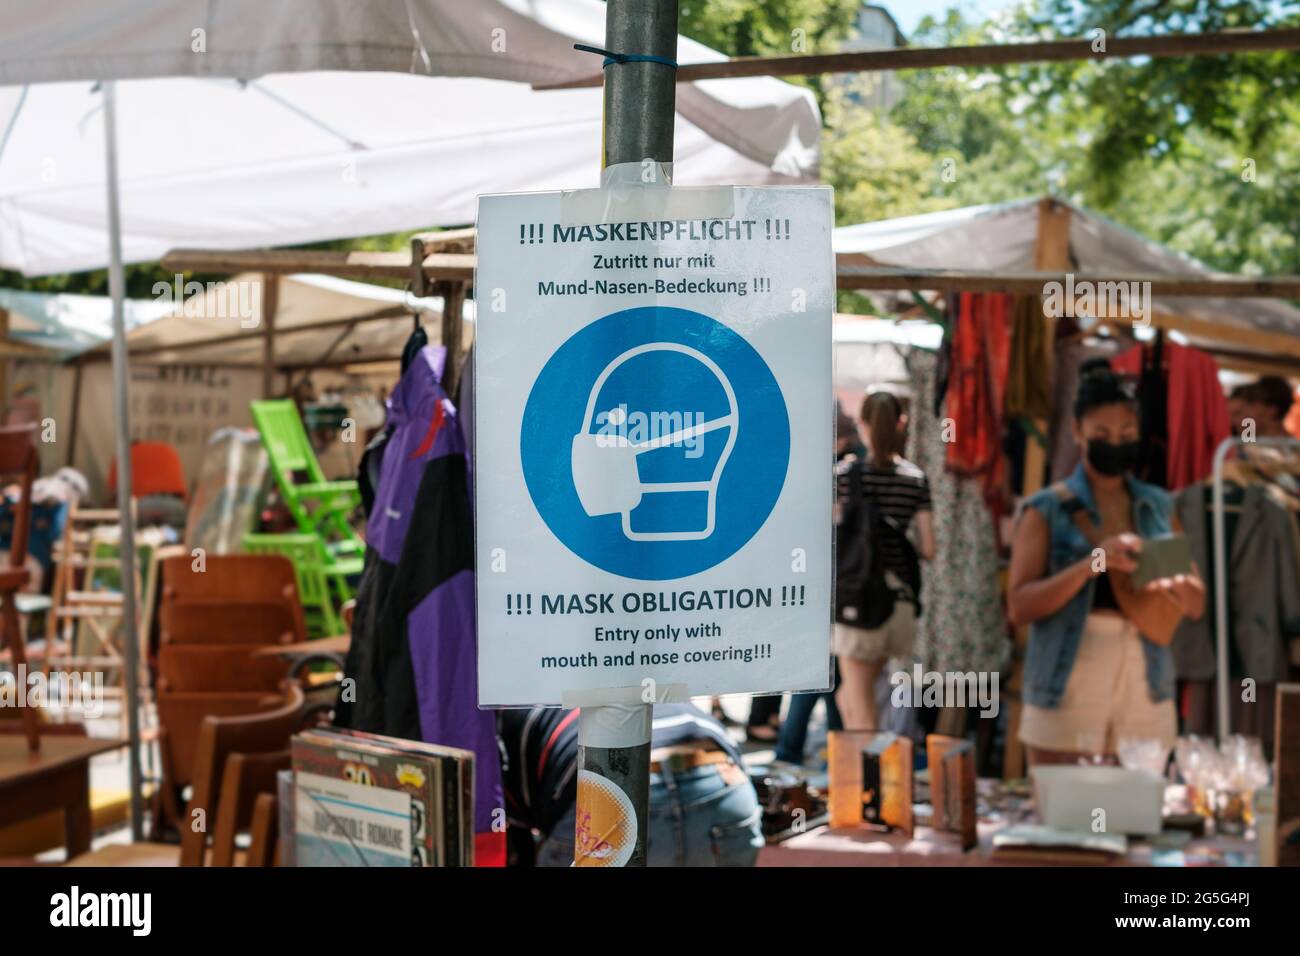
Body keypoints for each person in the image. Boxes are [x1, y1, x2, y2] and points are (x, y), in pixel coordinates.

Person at [1008, 358, 1205, 766]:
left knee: (1136, 812)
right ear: (1077, 432)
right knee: (1063, 813)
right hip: (1068, 675)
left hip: (1145, 677)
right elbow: (1020, 606)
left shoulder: (1156, 505)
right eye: (1101, 433)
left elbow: (1196, 603)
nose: (1115, 443)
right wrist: (1092, 564)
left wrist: (1158, 567)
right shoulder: (1047, 509)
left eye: (1126, 434)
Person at [500, 702, 764, 867]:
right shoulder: (641, 674)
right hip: (722, 782)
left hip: (608, 799)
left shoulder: (512, 708)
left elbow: (511, 820)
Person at [833, 390, 935, 731]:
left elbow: (832, 533)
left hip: (860, 601)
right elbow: (929, 548)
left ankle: (869, 780)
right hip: (899, 606)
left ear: (862, 424)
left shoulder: (845, 475)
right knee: (847, 696)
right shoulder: (915, 479)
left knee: (860, 703)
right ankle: (853, 775)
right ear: (901, 423)